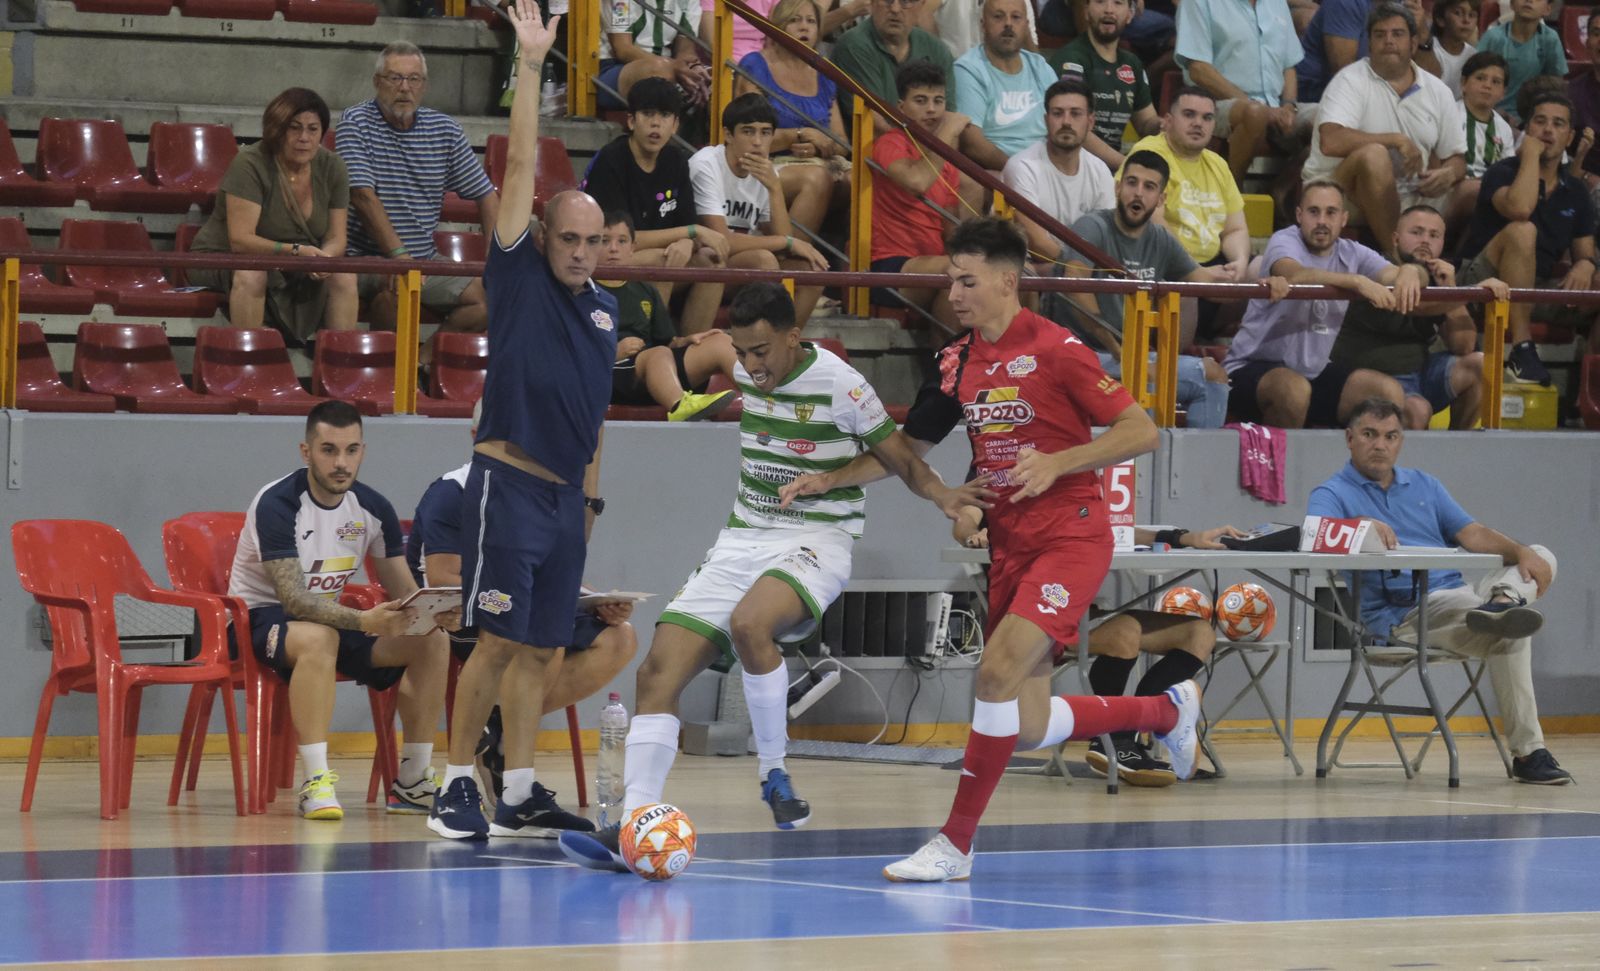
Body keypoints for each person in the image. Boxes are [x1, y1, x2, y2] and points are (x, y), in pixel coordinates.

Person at [773, 219, 1204, 882]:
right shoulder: (957, 360)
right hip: (1011, 546)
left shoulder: (1059, 348)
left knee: (993, 676)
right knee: (1025, 725)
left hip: (1071, 535)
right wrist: (832, 479)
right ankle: (1166, 709)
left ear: (1008, 281)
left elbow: (1141, 430)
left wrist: (1060, 461)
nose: (953, 293)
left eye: (967, 281)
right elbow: (909, 450)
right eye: (950, 280)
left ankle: (955, 844)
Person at [556, 282, 987, 871]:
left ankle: (774, 773)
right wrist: (670, 363)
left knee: (750, 624)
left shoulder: (840, 384)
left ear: (792, 338)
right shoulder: (736, 357)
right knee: (656, 672)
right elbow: (685, 354)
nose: (751, 365)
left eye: (761, 351)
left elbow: (904, 459)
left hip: (817, 539)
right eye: (742, 352)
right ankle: (633, 824)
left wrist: (944, 498)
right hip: (742, 539)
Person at [428, 3, 618, 841]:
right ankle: (452, 786)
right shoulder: (517, 275)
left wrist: (589, 502)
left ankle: (518, 789)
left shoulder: (605, 311)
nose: (579, 250)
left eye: (592, 241)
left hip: (564, 501)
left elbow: (595, 418)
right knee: (497, 643)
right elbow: (516, 170)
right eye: (567, 237)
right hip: (506, 487)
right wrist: (534, 64)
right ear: (542, 233)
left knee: (543, 649)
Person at [1307, 396, 1572, 785]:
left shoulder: (1424, 485)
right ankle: (1529, 754)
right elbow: (1312, 534)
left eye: (1390, 436)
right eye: (1369, 434)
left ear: (1401, 441)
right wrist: (1359, 526)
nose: (1380, 444)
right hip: (1405, 616)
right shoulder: (1333, 493)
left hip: (1461, 597)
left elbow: (1473, 534)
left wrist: (1520, 553)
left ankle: (1501, 602)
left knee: (1541, 555)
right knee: (1510, 633)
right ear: (1350, 438)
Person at [407, 399, 637, 825]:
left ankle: (496, 736)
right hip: (460, 615)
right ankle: (469, 779)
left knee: (618, 637)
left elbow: (548, 570)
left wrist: (594, 599)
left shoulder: (547, 496)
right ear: (478, 440)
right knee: (533, 634)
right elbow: (441, 577)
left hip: (521, 606)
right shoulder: (451, 492)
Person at [228, 399, 453, 821]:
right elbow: (294, 600)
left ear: (363, 451)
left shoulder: (373, 508)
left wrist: (435, 612)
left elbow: (404, 590)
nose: (341, 463)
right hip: (257, 621)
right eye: (329, 450)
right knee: (319, 637)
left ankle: (412, 781)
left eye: (351, 450)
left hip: (332, 621)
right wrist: (365, 620)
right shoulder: (277, 503)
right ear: (306, 451)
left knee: (431, 640)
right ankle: (316, 781)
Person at [953, 506, 1241, 784]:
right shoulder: (995, 480)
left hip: (1081, 609)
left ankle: (1150, 725)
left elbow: (1110, 529)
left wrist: (1183, 538)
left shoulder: (1070, 489)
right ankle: (1113, 740)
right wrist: (975, 535)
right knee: (1124, 633)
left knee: (1200, 633)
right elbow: (965, 518)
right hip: (1034, 619)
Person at [1060, 151, 1236, 429]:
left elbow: (1205, 283)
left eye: (1149, 187)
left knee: (1212, 375)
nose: (1138, 193)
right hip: (1080, 354)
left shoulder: (1161, 239)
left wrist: (1263, 285)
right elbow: (1075, 287)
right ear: (1118, 188)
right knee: (1147, 378)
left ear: (1161, 199)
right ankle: (1145, 454)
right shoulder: (1093, 226)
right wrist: (1119, 350)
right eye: (1132, 183)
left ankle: (1193, 457)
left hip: (1129, 356)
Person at [337, 42, 498, 335]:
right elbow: (362, 197)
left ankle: (426, 358)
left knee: (490, 300)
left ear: (424, 85)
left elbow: (486, 195)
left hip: (424, 258)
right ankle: (388, 364)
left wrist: (496, 258)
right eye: (395, 78)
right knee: (393, 291)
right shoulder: (355, 121)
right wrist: (399, 257)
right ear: (377, 82)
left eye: (413, 79)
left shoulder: (445, 129)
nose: (404, 88)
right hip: (365, 257)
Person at [1224, 180, 1415, 428]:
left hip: (1313, 372)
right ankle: (1280, 455)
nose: (1322, 221)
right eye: (1314, 212)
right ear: (1299, 216)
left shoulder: (1353, 252)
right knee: (1293, 389)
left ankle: (1358, 455)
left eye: (1331, 212)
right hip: (1250, 368)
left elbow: (1395, 275)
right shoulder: (1284, 240)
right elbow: (1294, 274)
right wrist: (1356, 281)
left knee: (1388, 392)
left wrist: (1411, 270)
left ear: (1343, 219)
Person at [189, 88, 358, 342]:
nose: (304, 138)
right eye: (294, 128)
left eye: (313, 129)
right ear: (277, 130)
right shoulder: (250, 163)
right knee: (252, 273)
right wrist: (296, 252)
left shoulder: (333, 166)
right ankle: (249, 359)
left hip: (298, 261)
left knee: (344, 275)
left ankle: (339, 361)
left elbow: (337, 237)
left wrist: (325, 259)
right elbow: (241, 241)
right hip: (227, 257)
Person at [1458, 90, 1598, 387]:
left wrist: (1586, 264)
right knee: (1523, 231)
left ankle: (1591, 386)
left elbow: (1584, 251)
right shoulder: (1502, 172)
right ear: (1527, 129)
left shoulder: (1575, 190)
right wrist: (1531, 155)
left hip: (1536, 286)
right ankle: (1523, 348)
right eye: (1540, 121)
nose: (1548, 130)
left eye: (1558, 124)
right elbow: (1520, 209)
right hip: (1482, 282)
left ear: (1570, 136)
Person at [1328, 205, 1505, 429]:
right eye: (1416, 232)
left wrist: (1449, 287)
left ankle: (1457, 444)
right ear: (1395, 239)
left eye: (1434, 235)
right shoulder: (1375, 268)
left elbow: (1464, 345)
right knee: (1418, 409)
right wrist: (1470, 294)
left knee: (1481, 364)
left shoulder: (1437, 276)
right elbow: (1413, 305)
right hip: (1371, 381)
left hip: (1419, 374)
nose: (1425, 241)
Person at [1304, 4, 1467, 249]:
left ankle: (1459, 263)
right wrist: (1396, 140)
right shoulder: (1349, 80)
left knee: (1473, 191)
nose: (1388, 41)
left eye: (1397, 34)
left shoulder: (1438, 90)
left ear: (1413, 44)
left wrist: (1449, 173)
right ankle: (1397, 257)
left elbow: (1457, 158)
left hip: (1413, 191)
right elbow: (1330, 141)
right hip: (1338, 190)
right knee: (1374, 155)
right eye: (1380, 35)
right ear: (1369, 44)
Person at [579, 78, 728, 332]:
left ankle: (695, 346)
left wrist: (687, 241)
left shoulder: (676, 161)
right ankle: (657, 342)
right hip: (605, 260)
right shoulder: (611, 160)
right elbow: (618, 239)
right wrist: (689, 233)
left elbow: (687, 225)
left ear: (676, 124)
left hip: (651, 258)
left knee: (712, 261)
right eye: (648, 114)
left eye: (665, 115)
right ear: (631, 121)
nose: (656, 123)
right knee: (665, 259)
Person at [689, 94, 830, 325]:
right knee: (764, 261)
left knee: (813, 272)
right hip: (705, 262)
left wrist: (775, 189)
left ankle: (786, 342)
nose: (757, 142)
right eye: (748, 131)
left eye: (765, 133)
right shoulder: (706, 164)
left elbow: (784, 244)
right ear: (728, 135)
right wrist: (787, 242)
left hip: (742, 264)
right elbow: (721, 240)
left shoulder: (766, 172)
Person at [869, 61, 981, 332]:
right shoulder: (890, 142)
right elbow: (916, 181)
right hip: (889, 265)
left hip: (934, 263)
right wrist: (948, 131)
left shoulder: (946, 162)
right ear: (902, 106)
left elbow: (951, 231)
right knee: (959, 272)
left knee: (998, 271)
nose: (931, 109)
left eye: (938, 101)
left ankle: (949, 358)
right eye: (921, 101)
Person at [598, 212, 738, 420]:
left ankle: (769, 402)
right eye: (604, 241)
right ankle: (680, 406)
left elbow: (667, 341)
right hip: (610, 372)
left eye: (622, 241)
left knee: (719, 341)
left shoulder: (645, 289)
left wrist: (685, 340)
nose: (613, 248)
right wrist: (613, 352)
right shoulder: (583, 290)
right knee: (658, 353)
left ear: (633, 247)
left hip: (655, 371)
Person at [733, 0, 850, 239]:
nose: (804, 27)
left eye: (811, 21)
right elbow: (747, 138)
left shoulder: (824, 73)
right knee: (816, 178)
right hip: (762, 163)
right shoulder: (755, 65)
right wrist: (800, 135)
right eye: (794, 20)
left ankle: (853, 256)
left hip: (815, 161)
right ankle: (791, 252)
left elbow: (841, 142)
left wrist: (819, 145)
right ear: (778, 26)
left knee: (861, 179)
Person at [1121, 88, 1250, 288]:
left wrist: (1240, 262)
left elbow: (1235, 229)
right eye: (1189, 114)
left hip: (1212, 261)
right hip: (1165, 263)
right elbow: (1153, 222)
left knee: (1259, 270)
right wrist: (1194, 271)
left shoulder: (1218, 164)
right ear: (1168, 121)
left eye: (1207, 118)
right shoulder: (1149, 154)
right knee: (1183, 291)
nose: (1198, 123)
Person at [1173, 0, 1305, 181]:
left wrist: (1289, 106)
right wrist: (1257, 106)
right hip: (1215, 103)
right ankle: (1232, 190)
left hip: (1277, 103)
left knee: (1325, 120)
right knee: (1255, 113)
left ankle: (1286, 188)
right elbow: (1198, 69)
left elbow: (1289, 66)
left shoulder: (1277, 3)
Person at [1000, 79, 1115, 263]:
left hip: (1081, 269)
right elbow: (1038, 244)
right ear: (1046, 121)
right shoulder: (1022, 167)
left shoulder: (1100, 170)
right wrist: (1077, 268)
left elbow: (1106, 237)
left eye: (1075, 114)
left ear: (1091, 122)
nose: (1066, 122)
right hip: (1028, 267)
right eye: (1058, 113)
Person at [1046, 0, 1161, 171]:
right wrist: (1126, 165)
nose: (1109, 10)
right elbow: (1073, 125)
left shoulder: (1132, 63)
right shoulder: (1071, 59)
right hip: (1074, 165)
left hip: (1113, 168)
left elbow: (1146, 123)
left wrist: (1164, 126)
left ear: (1130, 14)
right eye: (1100, 2)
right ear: (1086, 11)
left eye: (1117, 3)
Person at [952, 0, 1057, 164]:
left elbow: (1068, 122)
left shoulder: (1040, 67)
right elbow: (972, 143)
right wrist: (1020, 172)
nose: (1008, 24)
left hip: (1048, 165)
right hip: (998, 171)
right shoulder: (968, 70)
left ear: (1026, 26)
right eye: (998, 17)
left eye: (1016, 17)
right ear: (983, 25)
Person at [832, 0, 957, 133]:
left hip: (927, 143)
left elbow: (948, 117)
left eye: (905, 1)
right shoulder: (854, 46)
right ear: (872, 3)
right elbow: (876, 125)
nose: (895, 9)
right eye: (887, 0)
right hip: (877, 144)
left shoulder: (936, 49)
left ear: (921, 5)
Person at [1447, 52, 1515, 241]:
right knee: (1477, 192)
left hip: (1487, 195)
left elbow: (1507, 173)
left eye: (1496, 82)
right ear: (1463, 83)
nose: (1487, 85)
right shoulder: (1449, 114)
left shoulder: (1504, 129)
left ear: (1504, 92)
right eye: (1480, 78)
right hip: (1450, 192)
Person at [596, 0, 707, 110]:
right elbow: (623, 50)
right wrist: (672, 67)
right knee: (660, 72)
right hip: (612, 67)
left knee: (710, 80)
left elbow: (686, 50)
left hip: (668, 66)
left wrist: (693, 67)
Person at [1477, 0, 1566, 122]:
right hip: (1491, 114)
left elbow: (1556, 87)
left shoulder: (1550, 39)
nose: (1529, 0)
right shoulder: (1493, 37)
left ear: (1548, 9)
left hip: (1533, 118)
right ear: (1512, 4)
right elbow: (1475, 80)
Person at [1430, 0, 1481, 97]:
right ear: (1440, 19)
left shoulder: (1473, 56)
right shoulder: (1428, 49)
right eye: (1458, 13)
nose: (1466, 20)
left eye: (1472, 15)